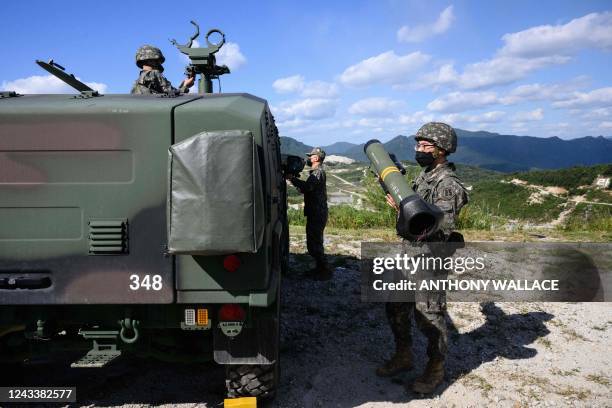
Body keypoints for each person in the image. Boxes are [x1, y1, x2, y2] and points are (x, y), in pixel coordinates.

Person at [377, 122, 468, 394]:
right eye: (417, 145)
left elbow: (440, 228)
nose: (419, 149)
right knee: (395, 307)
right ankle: (404, 356)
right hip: (409, 256)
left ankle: (435, 368)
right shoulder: (424, 176)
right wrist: (398, 205)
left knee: (429, 316)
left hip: (430, 260)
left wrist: (409, 214)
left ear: (442, 150)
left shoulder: (448, 184)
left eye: (425, 145)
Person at [287, 147, 332, 281]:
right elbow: (308, 189)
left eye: (311, 156)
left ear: (316, 158)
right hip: (316, 211)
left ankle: (324, 270)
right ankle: (320, 268)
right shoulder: (316, 172)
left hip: (317, 212)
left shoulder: (317, 172)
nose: (309, 158)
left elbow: (308, 187)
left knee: (315, 243)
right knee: (314, 241)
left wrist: (292, 179)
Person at [131, 45, 195, 95]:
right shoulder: (154, 74)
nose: (158, 63)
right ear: (151, 60)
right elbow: (174, 95)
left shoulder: (137, 82)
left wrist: (181, 86)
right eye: (157, 60)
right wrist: (186, 86)